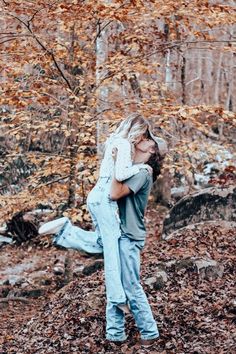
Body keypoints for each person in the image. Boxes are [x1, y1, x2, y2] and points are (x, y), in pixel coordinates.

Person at [39, 134, 167, 345]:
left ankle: (149, 333)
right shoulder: (134, 170)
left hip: (129, 235)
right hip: (119, 230)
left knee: (130, 285)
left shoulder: (143, 173)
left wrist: (117, 161)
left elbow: (114, 193)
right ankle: (116, 334)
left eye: (145, 140)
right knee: (113, 277)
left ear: (152, 150)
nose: (138, 141)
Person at [40, 114, 153, 309]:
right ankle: (118, 299)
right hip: (104, 198)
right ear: (137, 131)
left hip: (97, 196)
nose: (143, 139)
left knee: (103, 242)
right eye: (143, 135)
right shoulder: (125, 145)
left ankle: (65, 232)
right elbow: (121, 174)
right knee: (111, 250)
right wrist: (142, 167)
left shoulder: (115, 142)